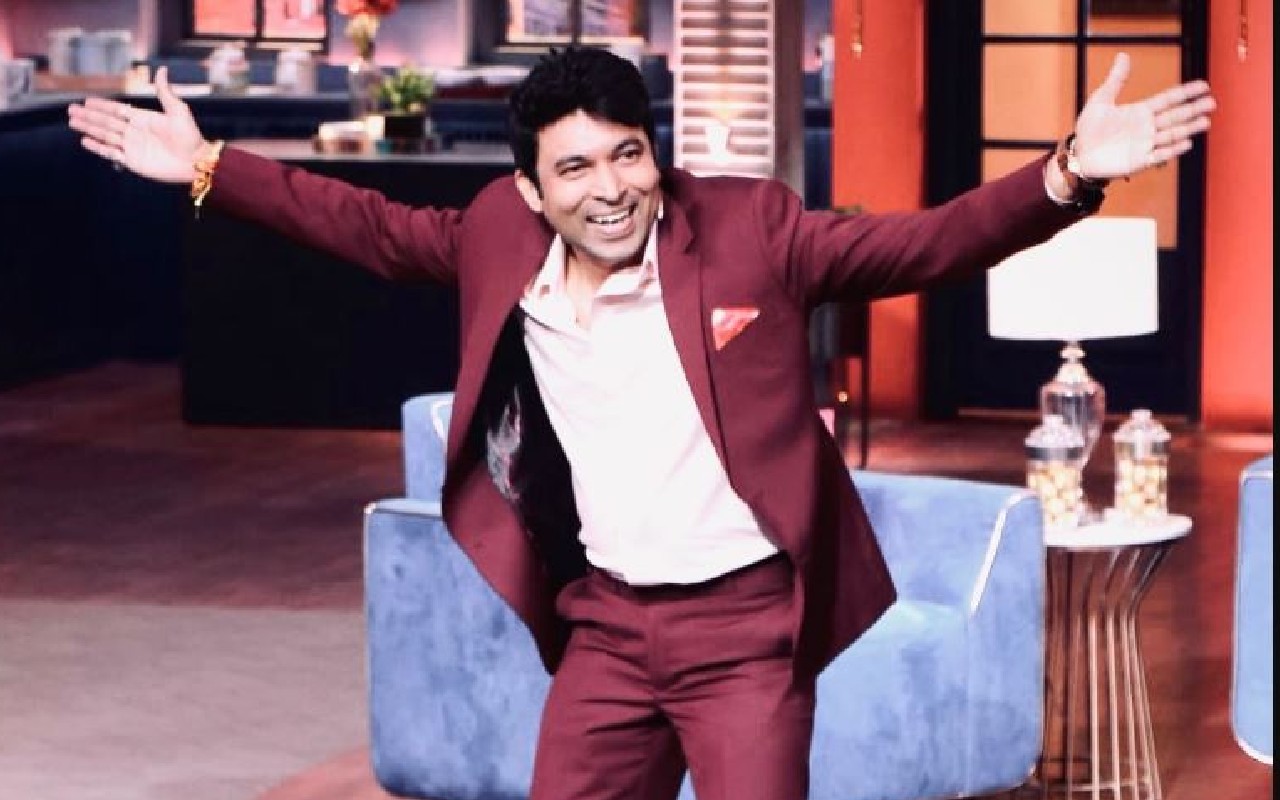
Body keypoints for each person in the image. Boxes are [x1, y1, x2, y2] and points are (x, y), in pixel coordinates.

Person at [68, 47, 1214, 800]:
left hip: (746, 631)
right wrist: (208, 165)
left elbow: (922, 243)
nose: (609, 186)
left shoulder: (751, 231)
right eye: (574, 167)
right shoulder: (497, 237)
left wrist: (1066, 173)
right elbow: (367, 226)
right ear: (531, 190)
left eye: (628, 154)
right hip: (606, 628)